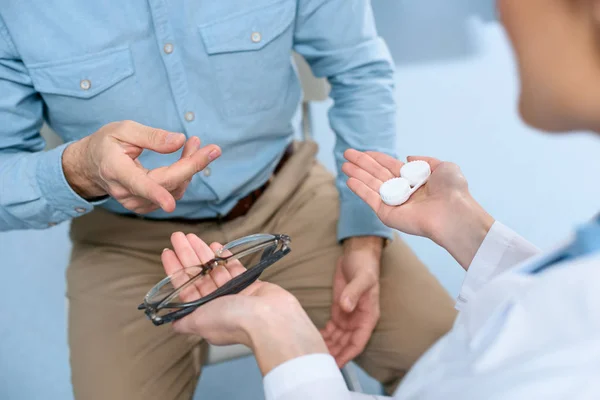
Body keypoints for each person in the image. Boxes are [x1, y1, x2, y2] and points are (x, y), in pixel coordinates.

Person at [0, 1, 457, 399]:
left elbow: (358, 69)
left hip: (290, 200)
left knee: (458, 363)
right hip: (126, 245)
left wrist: (364, 235)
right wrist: (81, 168)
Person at [158, 0, 600, 398]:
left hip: (289, 196)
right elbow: (566, 309)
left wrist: (279, 333)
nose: (495, 13)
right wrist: (470, 232)